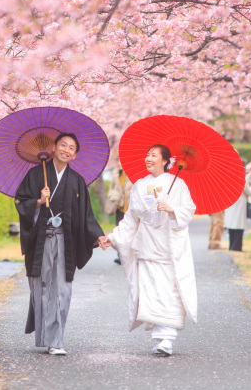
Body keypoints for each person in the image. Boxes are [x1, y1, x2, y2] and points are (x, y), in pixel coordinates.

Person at [98, 144, 197, 357]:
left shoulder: (177, 184)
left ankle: (168, 338)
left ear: (165, 161)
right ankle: (161, 338)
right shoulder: (139, 185)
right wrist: (112, 237)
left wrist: (172, 209)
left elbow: (188, 210)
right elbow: (131, 218)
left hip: (168, 247)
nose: (148, 158)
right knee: (151, 291)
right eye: (147, 154)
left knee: (169, 291)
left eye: (154, 155)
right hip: (146, 245)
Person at [14, 132, 105, 356]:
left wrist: (98, 235)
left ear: (75, 155)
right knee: (42, 286)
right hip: (41, 239)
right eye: (63, 145)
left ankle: (56, 340)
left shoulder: (76, 181)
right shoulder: (36, 174)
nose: (66, 150)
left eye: (71, 148)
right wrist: (37, 200)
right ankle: (46, 337)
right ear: (53, 148)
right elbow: (20, 201)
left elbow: (87, 215)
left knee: (62, 289)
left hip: (65, 241)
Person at [104, 163, 133, 263]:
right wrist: (113, 195)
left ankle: (130, 255)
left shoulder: (132, 172)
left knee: (131, 231)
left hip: (130, 206)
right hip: (119, 205)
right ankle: (120, 255)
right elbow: (112, 187)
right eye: (119, 161)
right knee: (119, 230)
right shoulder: (116, 173)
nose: (120, 163)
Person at [224, 162, 251, 251]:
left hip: (230, 204)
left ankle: (231, 247)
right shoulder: (241, 177)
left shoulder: (228, 176)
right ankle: (237, 248)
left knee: (231, 227)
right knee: (238, 227)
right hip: (239, 205)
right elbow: (248, 192)